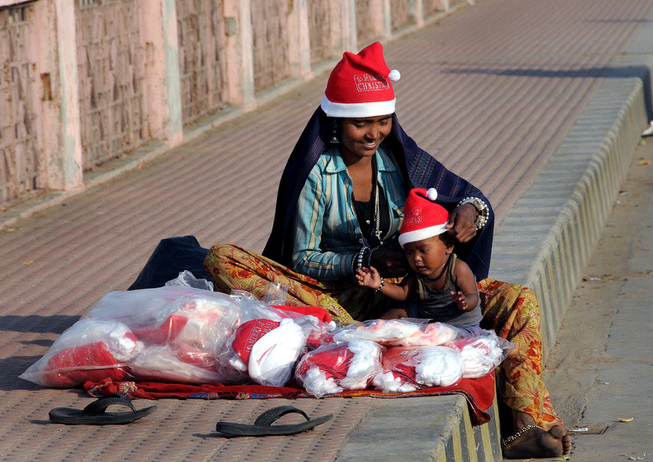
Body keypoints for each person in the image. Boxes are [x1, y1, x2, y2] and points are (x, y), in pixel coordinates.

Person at [205, 42, 571, 458]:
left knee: (517, 300)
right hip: (340, 299)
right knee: (221, 257)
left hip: (417, 296)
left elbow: (453, 198)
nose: (373, 133)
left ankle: (524, 423)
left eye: (382, 121)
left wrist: (469, 210)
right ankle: (349, 338)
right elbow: (301, 258)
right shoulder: (315, 175)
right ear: (336, 123)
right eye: (361, 124)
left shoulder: (398, 162)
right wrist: (365, 261)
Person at [356, 187, 482, 336]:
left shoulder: (458, 268)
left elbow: (472, 295)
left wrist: (465, 302)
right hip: (429, 321)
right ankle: (370, 334)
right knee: (397, 312)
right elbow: (403, 292)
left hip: (460, 325)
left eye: (423, 251)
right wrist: (379, 284)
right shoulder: (418, 273)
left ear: (448, 246)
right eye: (410, 252)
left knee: (455, 342)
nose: (416, 258)